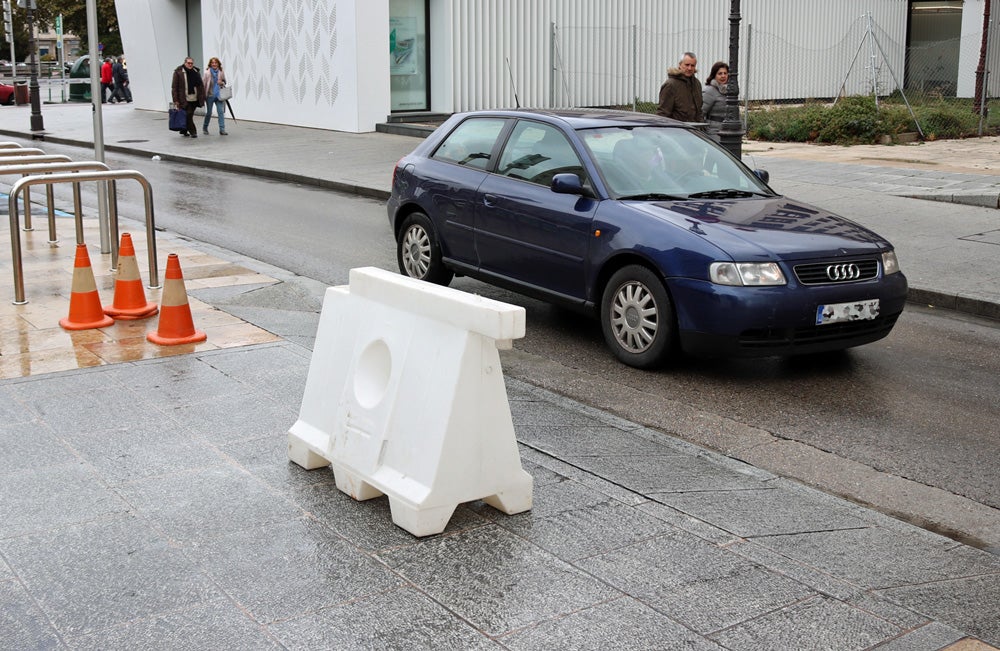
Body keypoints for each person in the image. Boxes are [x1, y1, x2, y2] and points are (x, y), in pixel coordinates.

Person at [656, 52, 703, 123]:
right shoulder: (670, 85)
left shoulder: (697, 84)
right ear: (680, 65)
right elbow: (663, 113)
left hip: (694, 129)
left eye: (692, 65)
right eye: (687, 65)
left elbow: (699, 110)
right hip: (676, 129)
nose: (689, 68)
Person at [171, 56, 205, 138]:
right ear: (185, 63)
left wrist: (202, 96)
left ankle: (184, 129)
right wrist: (175, 100)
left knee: (189, 115)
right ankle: (193, 131)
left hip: (195, 98)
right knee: (188, 114)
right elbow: (174, 87)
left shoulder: (196, 71)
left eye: (191, 63)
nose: (190, 64)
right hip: (184, 98)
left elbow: (200, 85)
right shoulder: (178, 72)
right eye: (188, 63)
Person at [701, 61, 729, 141]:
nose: (723, 76)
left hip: (728, 130)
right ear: (714, 75)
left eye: (725, 73)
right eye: (720, 73)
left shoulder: (730, 91)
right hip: (714, 132)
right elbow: (701, 112)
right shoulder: (710, 91)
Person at [201, 57, 228, 135]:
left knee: (221, 112)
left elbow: (224, 81)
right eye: (212, 63)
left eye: (216, 63)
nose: (214, 64)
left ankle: (222, 129)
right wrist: (203, 95)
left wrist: (222, 83)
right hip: (210, 95)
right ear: (210, 64)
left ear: (218, 64)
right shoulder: (207, 73)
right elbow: (203, 84)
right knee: (209, 113)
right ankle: (205, 128)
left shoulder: (221, 72)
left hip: (219, 96)